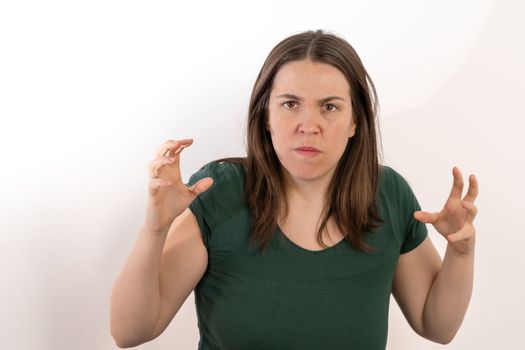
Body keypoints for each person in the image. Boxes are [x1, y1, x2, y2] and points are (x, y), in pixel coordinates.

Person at [110, 29, 479, 349]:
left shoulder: (386, 195)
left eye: (329, 107)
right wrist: (155, 227)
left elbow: (437, 327)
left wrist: (461, 253)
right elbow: (130, 332)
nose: (308, 124)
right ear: (266, 117)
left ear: (355, 121)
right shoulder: (217, 193)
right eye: (290, 104)